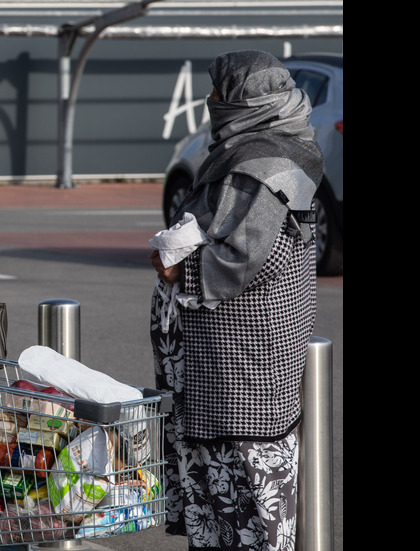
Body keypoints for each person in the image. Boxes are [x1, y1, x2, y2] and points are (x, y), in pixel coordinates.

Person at [148, 50, 322, 550]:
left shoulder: (261, 162)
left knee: (246, 496)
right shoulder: (279, 145)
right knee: (229, 491)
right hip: (236, 360)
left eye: (220, 94)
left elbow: (248, 255)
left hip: (238, 363)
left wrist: (178, 267)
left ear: (246, 101)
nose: (212, 102)